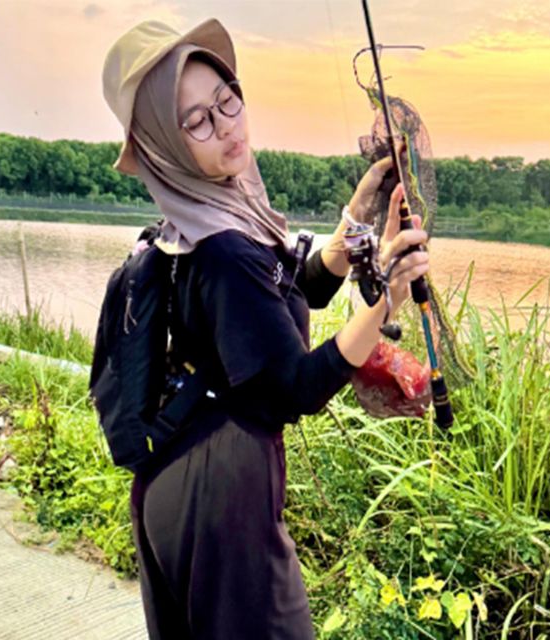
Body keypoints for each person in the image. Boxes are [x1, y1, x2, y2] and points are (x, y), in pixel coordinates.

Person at [102, 18, 429, 640]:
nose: (226, 124)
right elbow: (293, 389)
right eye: (196, 121)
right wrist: (385, 300)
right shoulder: (222, 248)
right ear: (164, 145)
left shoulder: (206, 218)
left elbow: (292, 289)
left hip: (179, 477)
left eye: (227, 99)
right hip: (220, 493)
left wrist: (361, 212)